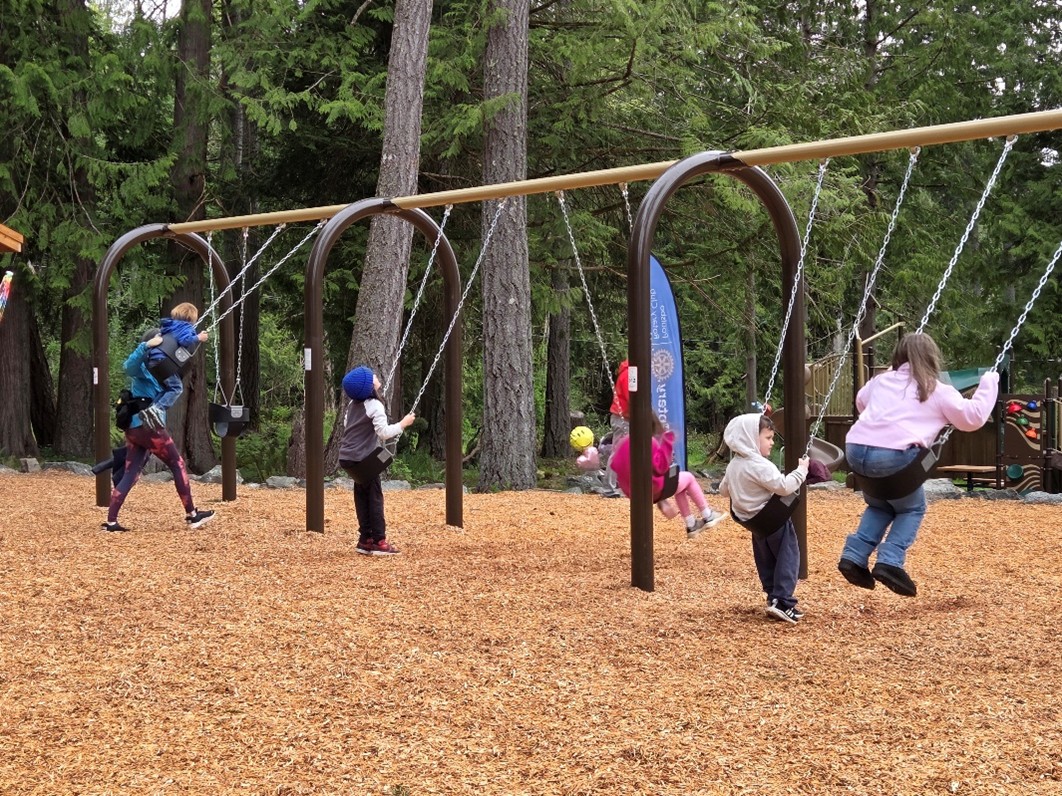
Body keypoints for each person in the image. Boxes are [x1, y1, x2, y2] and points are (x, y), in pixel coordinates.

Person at [838, 333, 999, 597]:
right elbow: (973, 418)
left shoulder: (881, 380)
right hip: (891, 457)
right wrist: (989, 382)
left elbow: (861, 402)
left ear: (898, 357)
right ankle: (890, 562)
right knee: (912, 508)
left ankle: (854, 556)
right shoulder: (936, 389)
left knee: (880, 505)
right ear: (932, 358)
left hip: (855, 450)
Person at [102, 326, 215, 532]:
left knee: (131, 473)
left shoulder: (163, 369)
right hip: (149, 427)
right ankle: (192, 515)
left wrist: (197, 339)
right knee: (177, 464)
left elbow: (180, 352)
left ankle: (111, 521)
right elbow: (128, 366)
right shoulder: (143, 367)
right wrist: (145, 345)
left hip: (135, 429)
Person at [720, 413, 809, 624]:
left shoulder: (734, 465)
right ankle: (783, 602)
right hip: (774, 519)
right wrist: (801, 471)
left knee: (766, 560)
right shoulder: (760, 465)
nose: (772, 442)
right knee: (788, 558)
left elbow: (724, 491)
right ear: (751, 438)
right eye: (768, 438)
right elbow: (784, 487)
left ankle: (773, 597)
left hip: (754, 523)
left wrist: (740, 487)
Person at [610, 412, 725, 538]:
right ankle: (708, 515)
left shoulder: (622, 444)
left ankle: (691, 524)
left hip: (634, 493)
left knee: (680, 484)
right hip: (654, 490)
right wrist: (667, 441)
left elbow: (615, 465)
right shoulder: (648, 442)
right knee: (689, 477)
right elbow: (661, 467)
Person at [338, 366, 414, 556]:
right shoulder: (374, 406)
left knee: (362, 496)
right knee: (374, 498)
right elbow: (383, 433)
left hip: (347, 458)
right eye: (372, 376)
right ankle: (379, 541)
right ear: (369, 387)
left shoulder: (352, 405)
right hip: (362, 459)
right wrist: (403, 423)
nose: (376, 376)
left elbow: (348, 425)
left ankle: (365, 540)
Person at [147, 302, 209, 371]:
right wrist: (199, 337)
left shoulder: (170, 325)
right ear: (192, 318)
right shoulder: (186, 327)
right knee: (173, 378)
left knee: (155, 376)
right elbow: (185, 340)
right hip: (164, 359)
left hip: (154, 355)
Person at [602, 359, 630, 497]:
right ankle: (609, 488)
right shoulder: (629, 374)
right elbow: (632, 397)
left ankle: (620, 486)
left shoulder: (630, 372)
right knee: (618, 452)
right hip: (623, 418)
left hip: (626, 417)